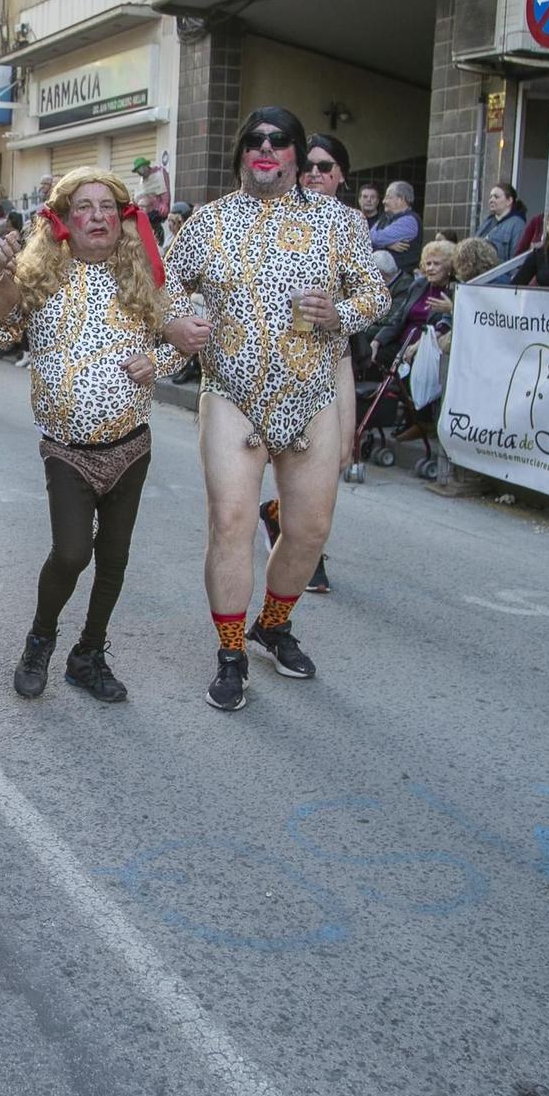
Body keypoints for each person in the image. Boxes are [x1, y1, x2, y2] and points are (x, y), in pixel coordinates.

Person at [163, 106, 390, 710]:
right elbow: (165, 285)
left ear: (296, 155)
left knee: (309, 530)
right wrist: (178, 324)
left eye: (281, 140)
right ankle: (231, 653)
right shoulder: (207, 222)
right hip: (231, 394)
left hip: (311, 394)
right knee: (232, 525)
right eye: (256, 140)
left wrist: (340, 314)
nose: (267, 148)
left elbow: (376, 293)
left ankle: (274, 624)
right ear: (241, 153)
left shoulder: (338, 224)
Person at [0, 168, 185, 702]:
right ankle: (40, 641)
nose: (98, 216)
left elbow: (183, 339)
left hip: (132, 445)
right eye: (85, 207)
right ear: (65, 219)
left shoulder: (144, 275)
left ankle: (88, 654)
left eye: (108, 207)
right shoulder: (38, 272)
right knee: (71, 554)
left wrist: (156, 360)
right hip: (67, 450)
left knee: (115, 557)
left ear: (123, 218)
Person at [259, 129, 364, 595]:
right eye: (309, 167)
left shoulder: (350, 222)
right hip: (282, 356)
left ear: (341, 174)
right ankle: (305, 548)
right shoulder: (281, 214)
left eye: (326, 167)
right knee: (292, 455)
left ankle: (283, 517)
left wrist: (340, 313)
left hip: (334, 351)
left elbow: (369, 293)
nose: (316, 174)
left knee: (338, 454)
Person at [374, 237, 459, 365]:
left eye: (436, 264)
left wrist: (417, 346)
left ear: (448, 267)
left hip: (429, 347)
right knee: (373, 352)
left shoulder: (454, 291)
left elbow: (444, 327)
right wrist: (377, 341)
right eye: (428, 264)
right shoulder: (418, 285)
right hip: (403, 342)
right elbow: (398, 318)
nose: (430, 268)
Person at [370, 180, 421, 276]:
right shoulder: (384, 218)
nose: (383, 201)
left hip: (401, 280)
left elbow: (374, 237)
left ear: (401, 199)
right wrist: (387, 245)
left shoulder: (409, 221)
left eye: (388, 197)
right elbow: (366, 237)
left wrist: (381, 242)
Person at [473, 182, 525, 262]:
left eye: (496, 197)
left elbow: (516, 261)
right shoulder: (487, 221)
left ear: (509, 201)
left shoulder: (517, 224)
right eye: (490, 197)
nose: (491, 200)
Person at [131, 156, 170, 227]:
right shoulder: (142, 180)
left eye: (141, 169)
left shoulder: (158, 174)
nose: (140, 172)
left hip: (156, 212)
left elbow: (164, 192)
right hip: (145, 214)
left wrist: (164, 204)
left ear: (146, 167)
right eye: (138, 171)